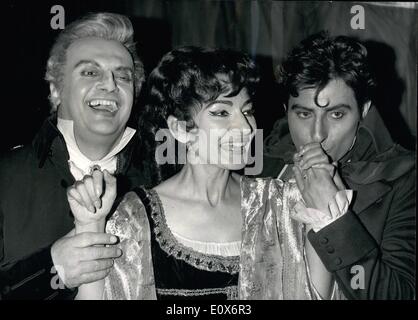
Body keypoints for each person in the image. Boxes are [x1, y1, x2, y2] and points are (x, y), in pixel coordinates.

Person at [67, 46, 347, 300]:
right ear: (180, 129)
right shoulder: (136, 218)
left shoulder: (278, 204)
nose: (246, 128)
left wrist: (324, 208)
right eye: (222, 113)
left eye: (247, 111)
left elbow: (316, 294)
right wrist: (89, 224)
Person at [0, 12, 153, 299]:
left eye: (123, 75)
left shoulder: (162, 182)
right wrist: (51, 270)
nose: (110, 85)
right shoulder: (5, 179)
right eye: (90, 72)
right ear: (56, 89)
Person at [261, 31, 416, 299]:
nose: (317, 134)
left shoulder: (403, 178)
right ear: (286, 109)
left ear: (364, 110)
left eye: (336, 114)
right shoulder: (263, 162)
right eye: (304, 113)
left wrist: (332, 216)